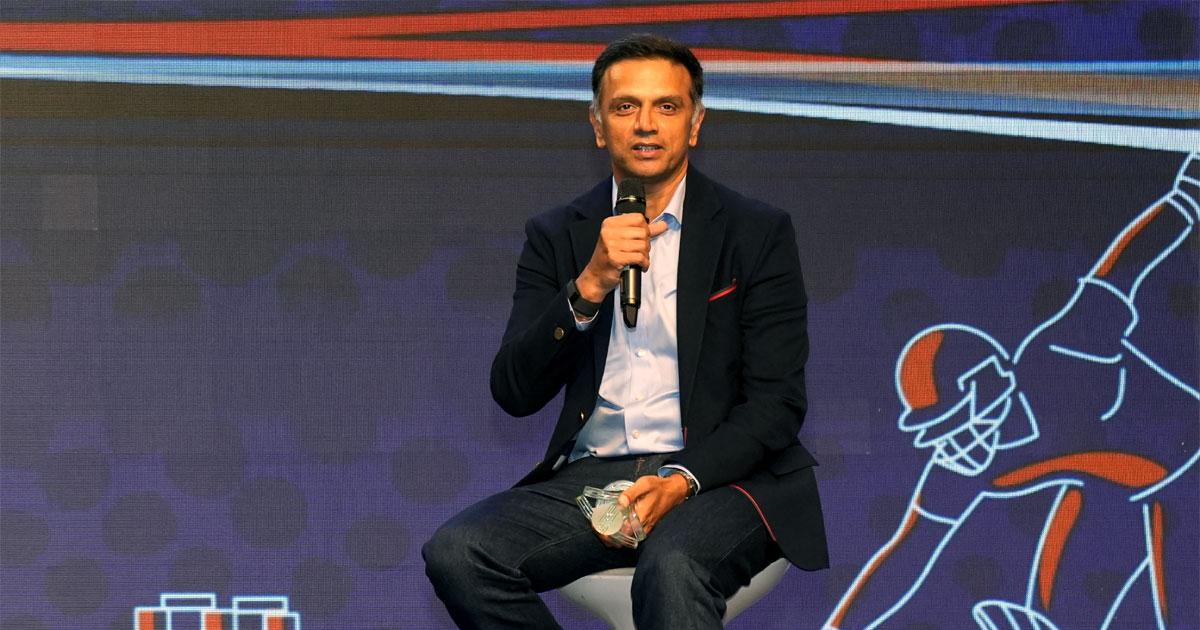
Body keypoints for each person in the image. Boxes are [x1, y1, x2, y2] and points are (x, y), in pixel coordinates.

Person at [423, 33, 828, 629]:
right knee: (460, 552)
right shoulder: (557, 234)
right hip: (595, 477)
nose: (645, 124)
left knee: (672, 565)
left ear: (695, 123)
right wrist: (590, 283)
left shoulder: (755, 231)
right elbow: (513, 391)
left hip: (721, 474)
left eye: (666, 106)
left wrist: (679, 480)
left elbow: (777, 405)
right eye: (625, 107)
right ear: (597, 125)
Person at [826, 153, 1199, 630]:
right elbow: (905, 559)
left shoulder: (1065, 350)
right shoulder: (957, 471)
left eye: (956, 419)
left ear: (991, 382)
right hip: (1110, 487)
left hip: (1187, 462)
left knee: (1178, 608)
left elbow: (1122, 268)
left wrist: (1187, 194)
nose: (955, 443)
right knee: (1054, 604)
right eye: (940, 429)